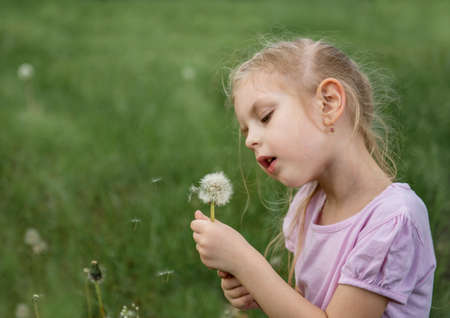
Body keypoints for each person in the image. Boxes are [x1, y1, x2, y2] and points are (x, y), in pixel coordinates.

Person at [190, 38, 436, 318]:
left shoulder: (394, 220)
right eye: (246, 131)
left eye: (266, 117)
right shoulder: (309, 203)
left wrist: (246, 263)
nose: (251, 141)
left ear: (328, 104)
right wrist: (259, 291)